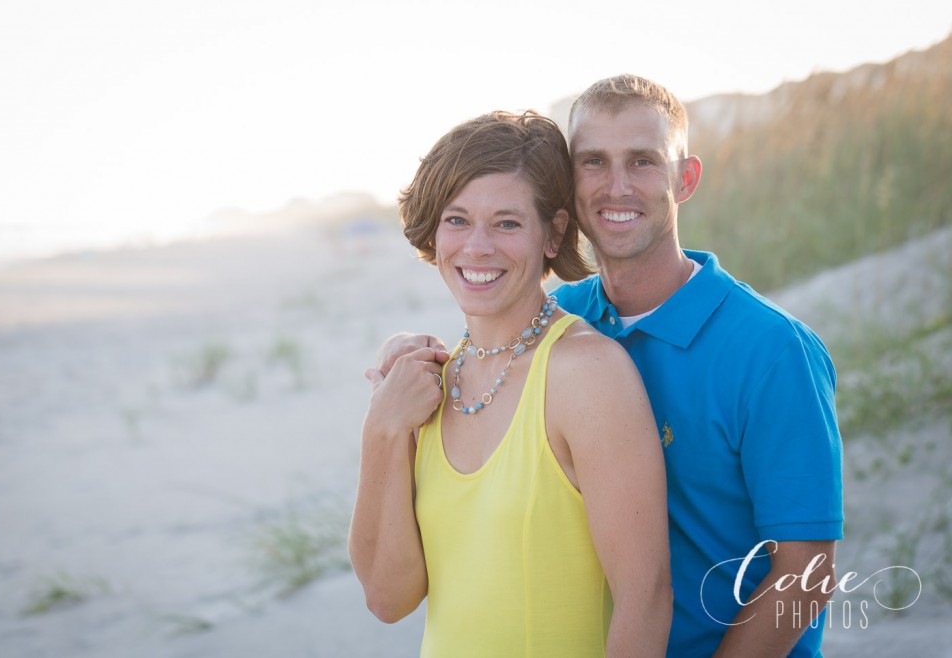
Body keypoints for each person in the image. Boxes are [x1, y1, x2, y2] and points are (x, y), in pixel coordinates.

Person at [376, 76, 844, 658]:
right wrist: (410, 352)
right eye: (593, 162)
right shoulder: (563, 320)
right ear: (566, 189)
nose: (616, 186)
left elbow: (809, 571)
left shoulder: (771, 349)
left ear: (685, 178)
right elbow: (488, 369)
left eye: (643, 161)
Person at [348, 110, 673, 657]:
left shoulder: (588, 375)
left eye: (506, 223)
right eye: (456, 220)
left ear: (554, 233)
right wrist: (383, 425)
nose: (476, 248)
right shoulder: (429, 384)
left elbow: (646, 598)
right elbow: (388, 598)